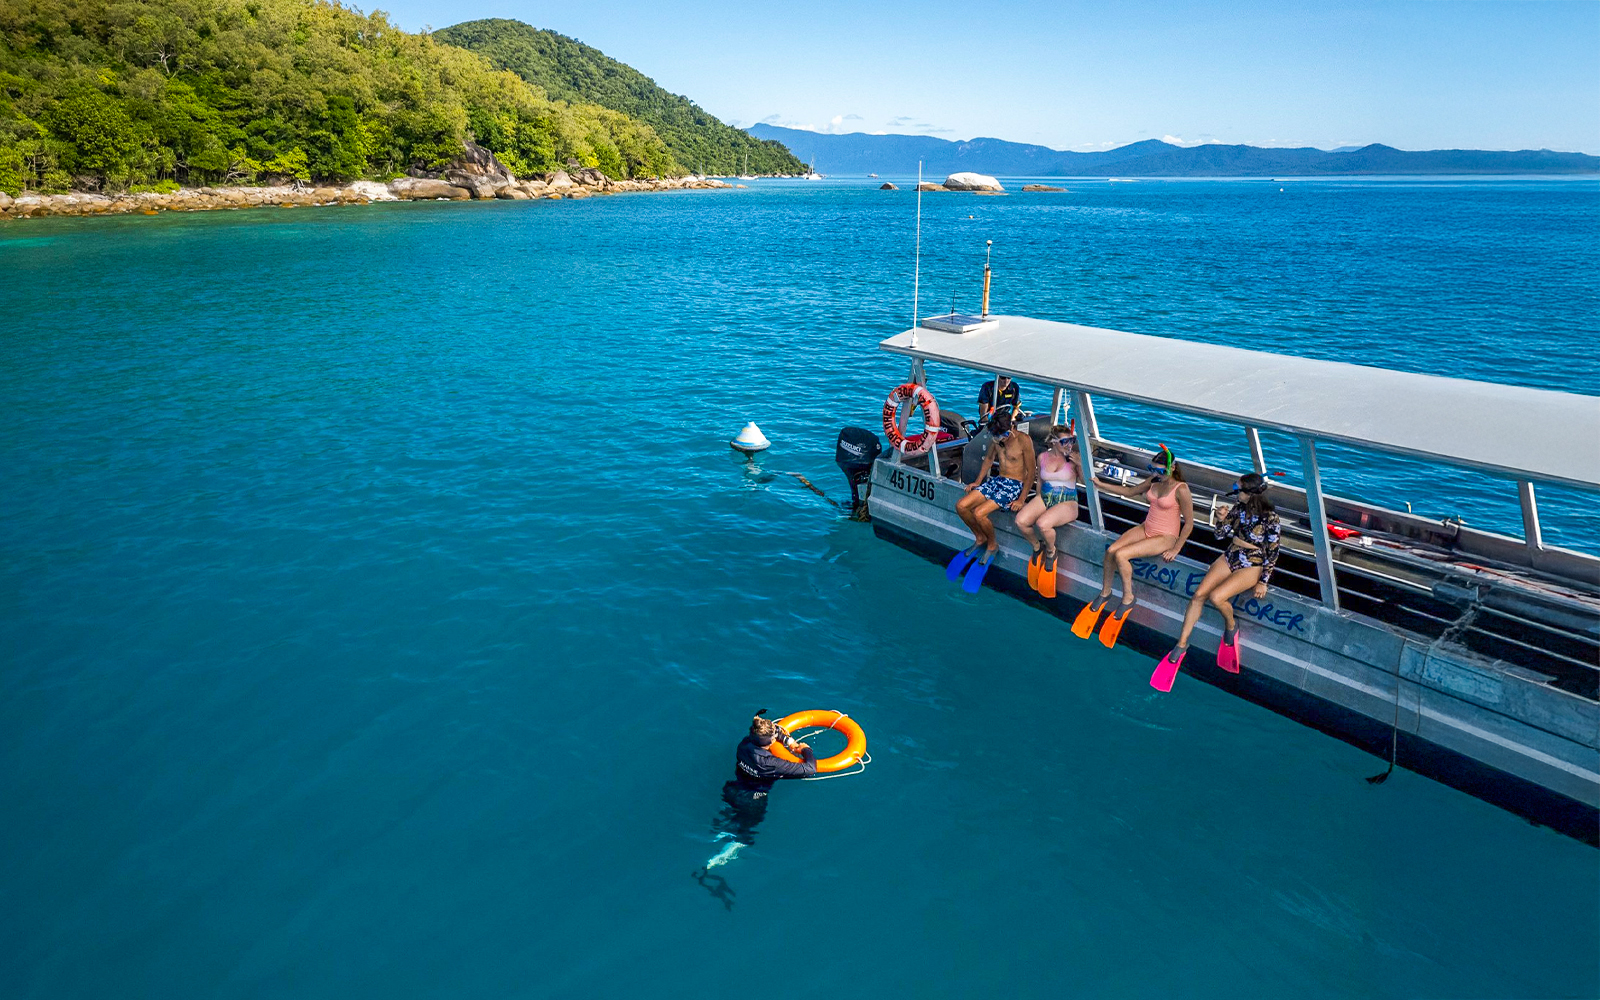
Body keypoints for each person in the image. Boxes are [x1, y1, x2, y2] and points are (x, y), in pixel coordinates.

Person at [1160, 472, 1281, 673]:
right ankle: (1181, 644)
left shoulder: (1271, 517)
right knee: (1198, 595)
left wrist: (1263, 581)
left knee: (1217, 597)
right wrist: (1222, 519)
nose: (1235, 493)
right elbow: (1219, 535)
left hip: (1252, 562)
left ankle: (1231, 625)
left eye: (1238, 489)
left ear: (1249, 492)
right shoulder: (1238, 508)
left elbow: (1273, 550)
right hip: (1231, 555)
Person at [1074, 444, 1194, 643]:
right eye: (1152, 469)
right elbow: (1130, 492)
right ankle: (1105, 592)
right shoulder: (1154, 480)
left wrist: (1176, 548)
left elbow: (1189, 523)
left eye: (1160, 470)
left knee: (1122, 555)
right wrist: (1100, 484)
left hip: (1166, 536)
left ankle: (1128, 598)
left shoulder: (1181, 489)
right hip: (1146, 527)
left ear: (1172, 468)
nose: (1156, 474)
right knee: (1111, 550)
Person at [955, 408, 1038, 560]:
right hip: (998, 480)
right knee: (961, 506)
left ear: (1012, 427)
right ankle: (980, 537)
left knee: (979, 513)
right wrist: (977, 482)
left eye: (1004, 434)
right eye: (998, 435)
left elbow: (1031, 472)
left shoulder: (1024, 440)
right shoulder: (997, 439)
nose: (1002, 438)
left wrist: (1021, 499)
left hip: (1014, 485)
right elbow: (988, 459)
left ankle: (992, 545)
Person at [1015, 424, 1079, 594]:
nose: (1069, 445)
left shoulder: (1074, 459)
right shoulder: (1042, 457)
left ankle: (1051, 551)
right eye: (1065, 441)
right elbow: (1040, 481)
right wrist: (1036, 498)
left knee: (1043, 524)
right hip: (1045, 496)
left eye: (1071, 440)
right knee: (1021, 521)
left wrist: (1080, 464)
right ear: (1053, 441)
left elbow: (1089, 484)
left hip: (1067, 501)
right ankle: (1037, 547)